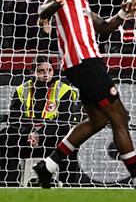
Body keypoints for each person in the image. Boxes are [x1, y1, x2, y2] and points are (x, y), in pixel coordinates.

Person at [32, 0, 136, 189]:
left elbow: (103, 27)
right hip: (85, 63)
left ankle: (48, 165)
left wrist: (124, 12)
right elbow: (42, 11)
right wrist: (54, 5)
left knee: (99, 120)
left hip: (84, 65)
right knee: (120, 116)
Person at [0, 56, 80, 186]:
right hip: (27, 138)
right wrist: (29, 132)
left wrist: (40, 134)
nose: (46, 74)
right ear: (33, 72)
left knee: (71, 140)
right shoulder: (22, 90)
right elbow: (15, 118)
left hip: (52, 139)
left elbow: (64, 120)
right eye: (41, 71)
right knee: (5, 137)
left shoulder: (64, 90)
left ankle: (69, 186)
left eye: (49, 70)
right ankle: (8, 185)